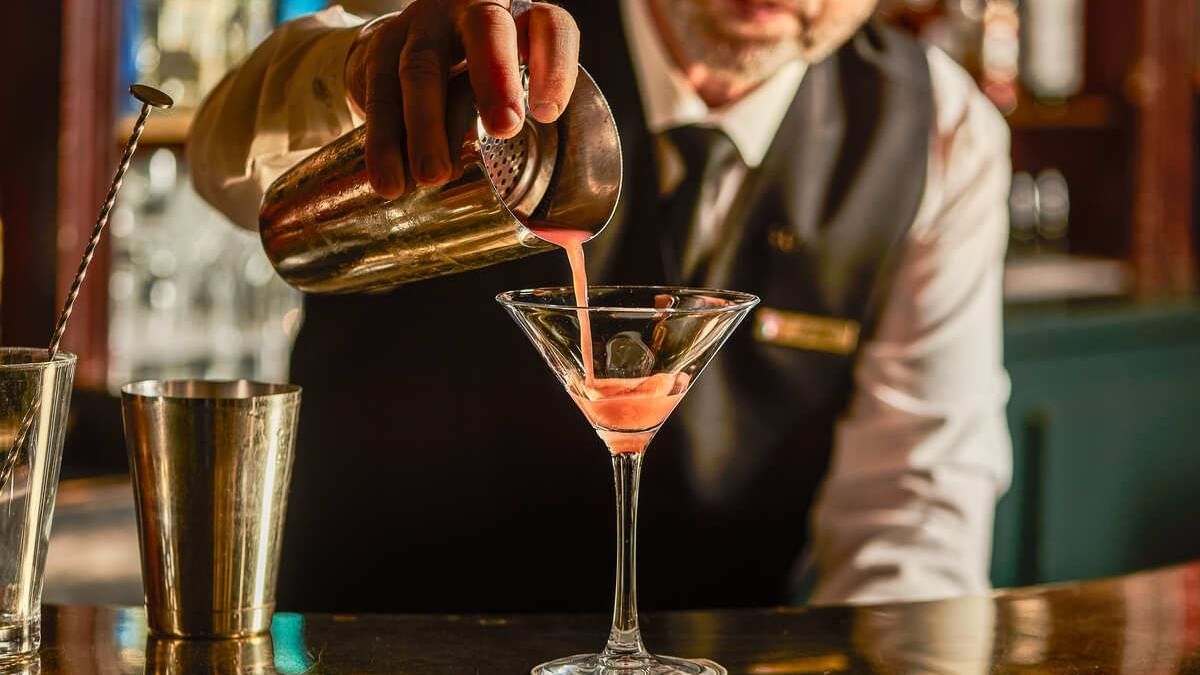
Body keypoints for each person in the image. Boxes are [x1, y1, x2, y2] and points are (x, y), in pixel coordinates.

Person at [187, 0, 1013, 613]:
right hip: (371, 646)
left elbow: (912, 517)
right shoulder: (496, 21)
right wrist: (356, 69)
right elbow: (219, 155)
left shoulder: (940, 132)